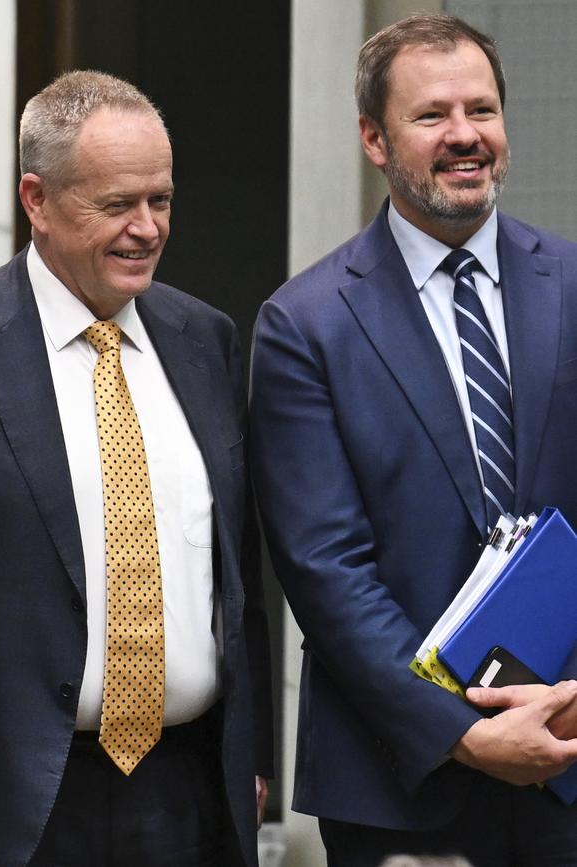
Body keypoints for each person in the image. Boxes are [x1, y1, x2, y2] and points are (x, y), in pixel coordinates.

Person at [250, 12, 577, 867]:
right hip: (400, 783)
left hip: (571, 758)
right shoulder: (304, 325)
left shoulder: (575, 286)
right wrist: (463, 734)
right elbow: (325, 569)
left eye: (483, 109)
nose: (465, 135)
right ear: (373, 137)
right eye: (432, 115)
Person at [0, 70, 272, 866]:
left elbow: (237, 577)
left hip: (188, 798)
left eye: (162, 200)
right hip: (11, 807)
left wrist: (247, 757)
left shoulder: (206, 339)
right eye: (117, 204)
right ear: (37, 200)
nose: (147, 228)